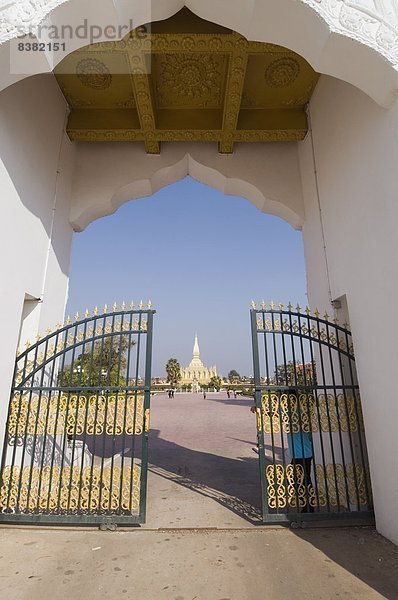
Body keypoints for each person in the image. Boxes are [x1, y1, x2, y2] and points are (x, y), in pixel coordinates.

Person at [285, 388, 315, 513]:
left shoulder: (293, 412)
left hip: (301, 453)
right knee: (302, 479)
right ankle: (307, 504)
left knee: (301, 480)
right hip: (303, 452)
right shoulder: (302, 412)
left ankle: (308, 506)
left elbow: (272, 413)